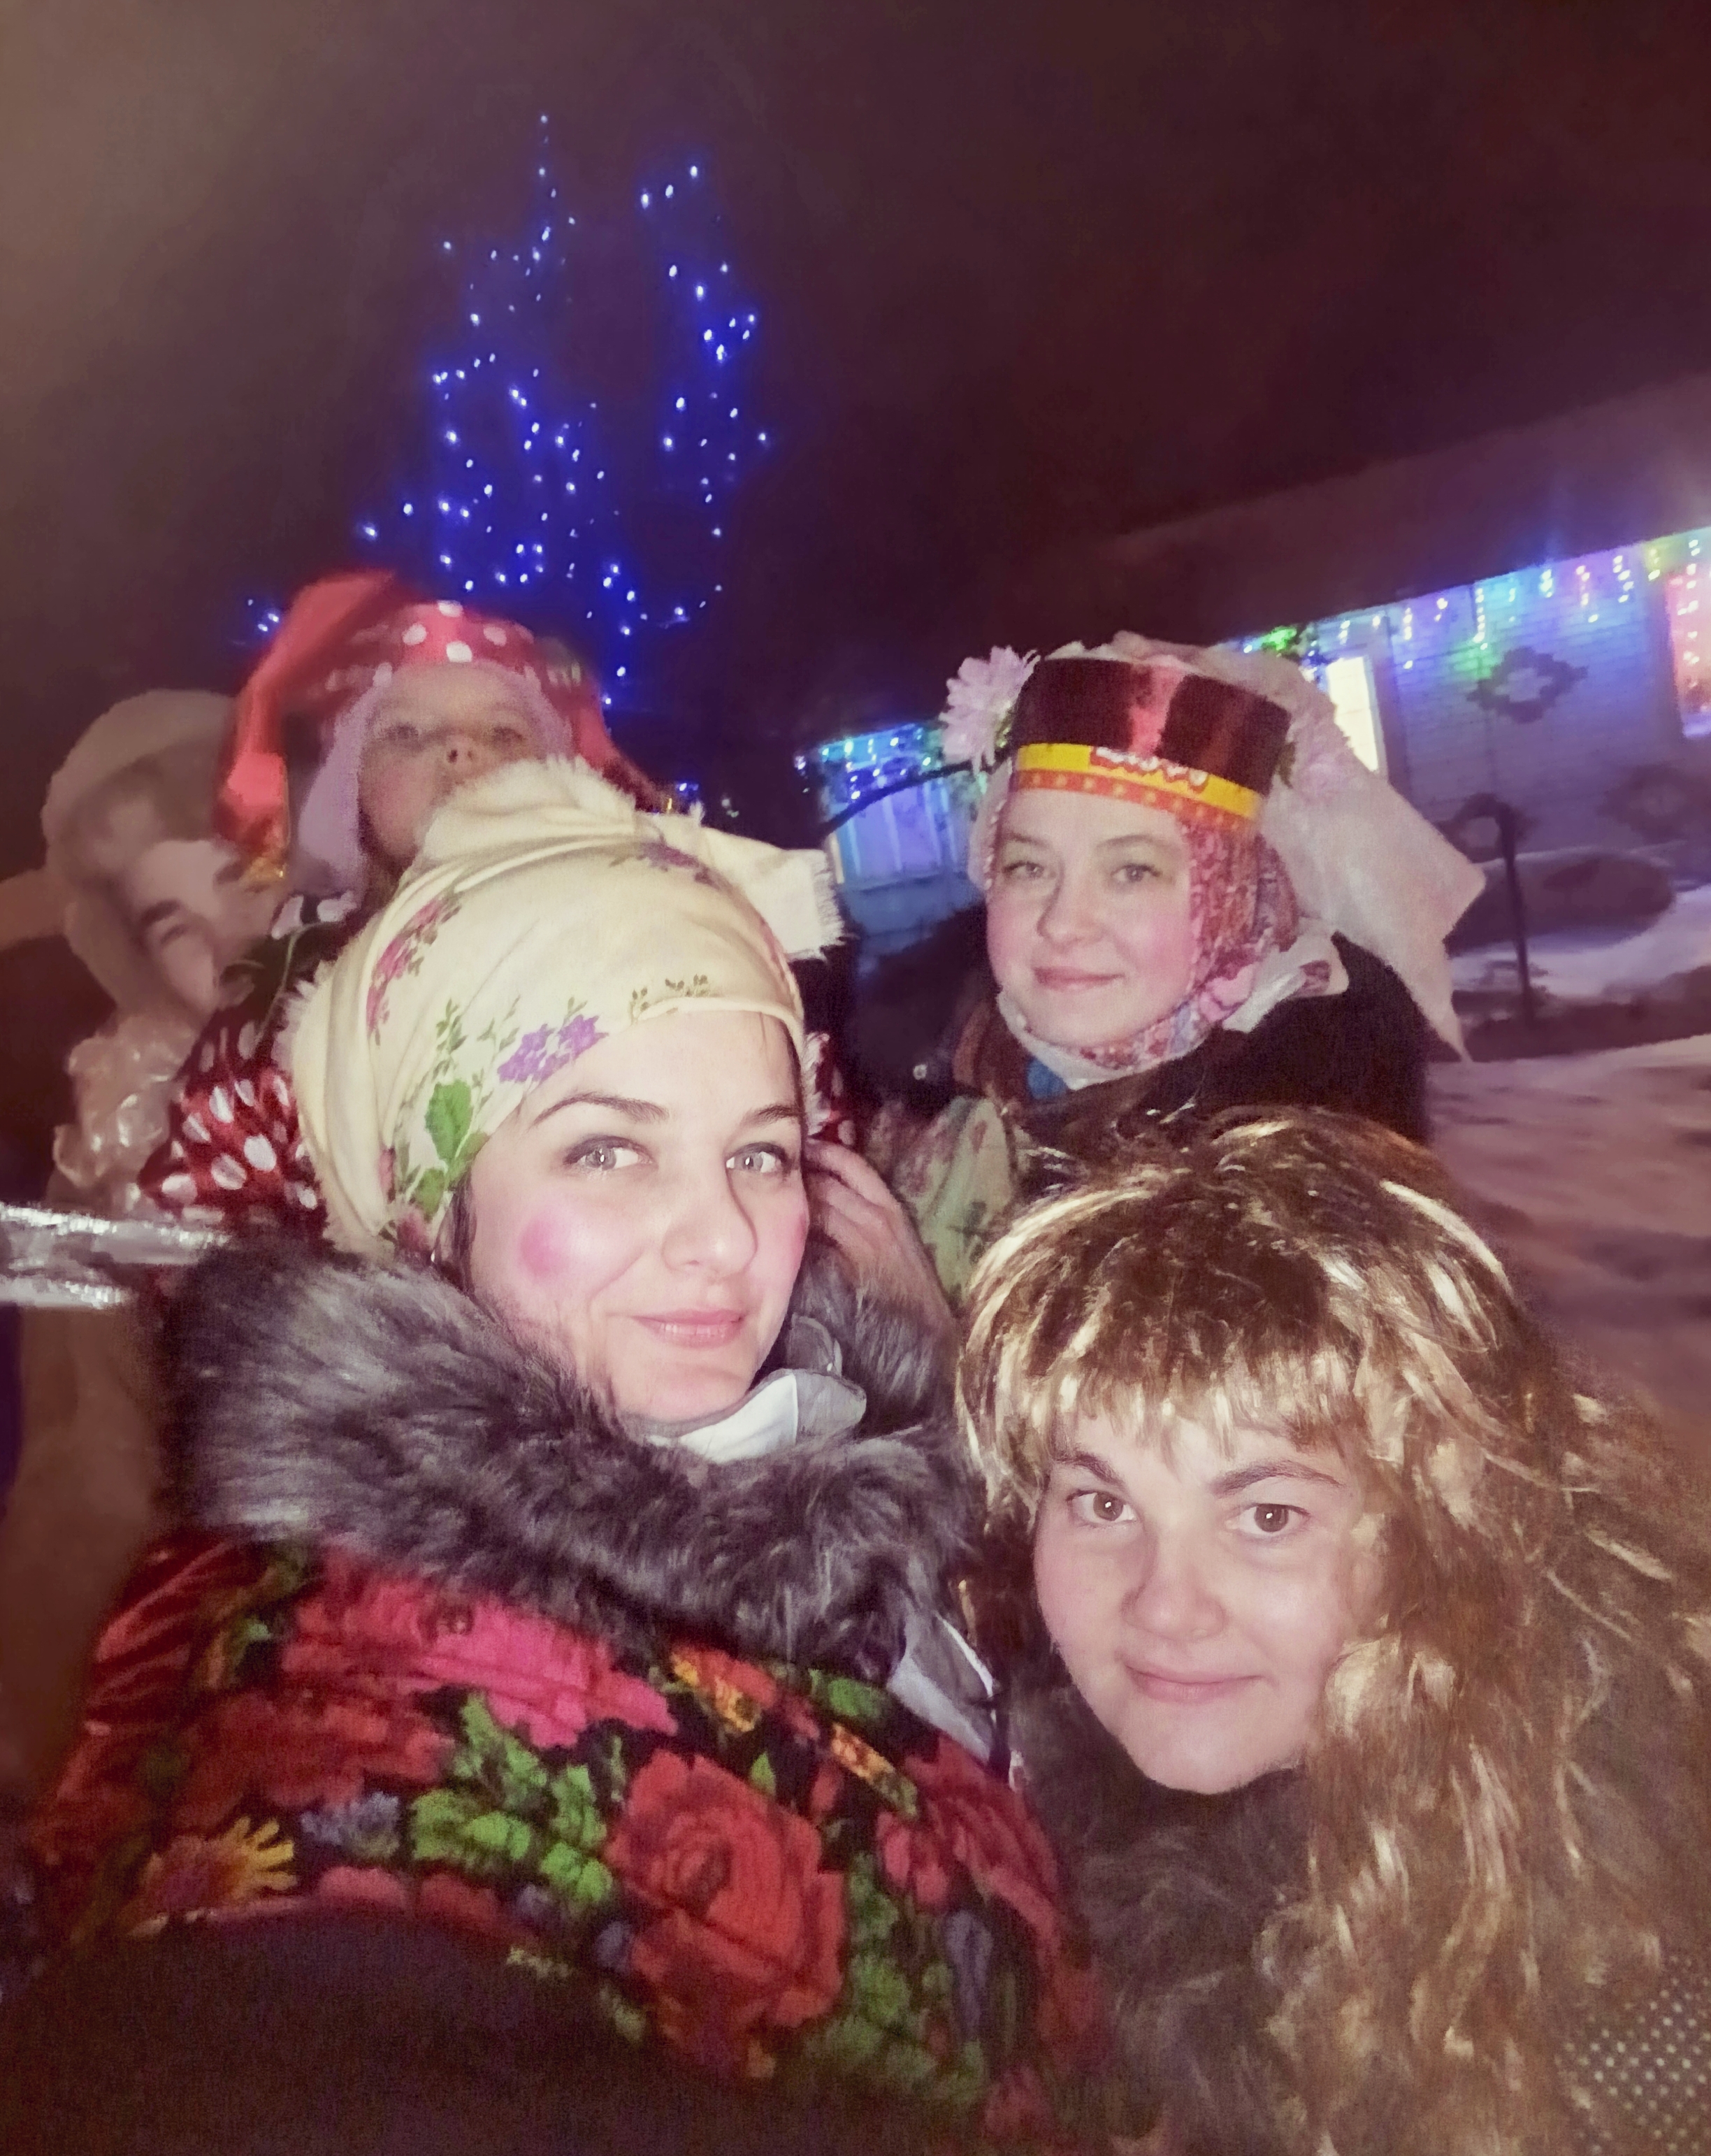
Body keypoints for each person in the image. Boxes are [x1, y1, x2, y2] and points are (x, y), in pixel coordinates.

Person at [6, 761, 1097, 2153]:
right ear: (426, 1214)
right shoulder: (327, 1689)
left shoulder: (874, 1475)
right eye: (605, 1153)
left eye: (759, 1154)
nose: (722, 1237)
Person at [955, 1108, 1711, 2156]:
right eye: (1103, 1502)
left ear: (1445, 1528)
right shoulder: (1040, 1806)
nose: (1164, 1607)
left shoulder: (1633, 1979)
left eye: (1268, 1516)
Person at [858, 637, 1482, 1301]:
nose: (1063, 923)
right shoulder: (937, 1087)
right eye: (1029, 867)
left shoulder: (1307, 1193)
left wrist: (919, 1331)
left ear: (1233, 895)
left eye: (1132, 871)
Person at [136, 573, 668, 1230]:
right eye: (407, 734)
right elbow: (193, 1216)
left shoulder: (645, 950)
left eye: (505, 734)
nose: (460, 748)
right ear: (351, 793)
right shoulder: (280, 1003)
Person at [0, 691, 281, 1802]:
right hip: (179, 1652)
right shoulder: (118, 1124)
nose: (224, 944)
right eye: (172, 926)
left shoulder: (417, 1056)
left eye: (240, 884)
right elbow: (77, 1451)